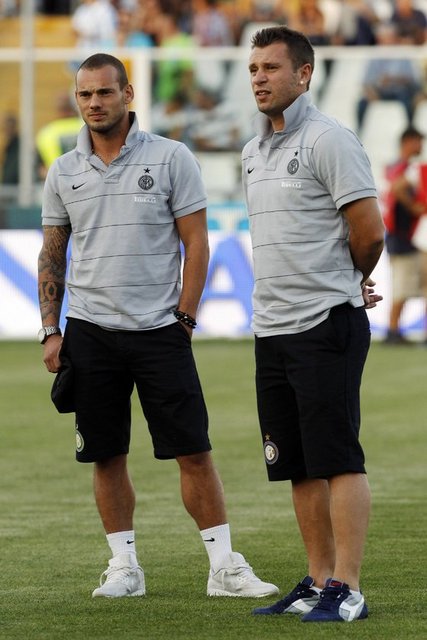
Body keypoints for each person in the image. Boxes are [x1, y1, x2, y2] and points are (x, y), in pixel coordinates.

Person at [37, 52, 279, 600]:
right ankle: (124, 567)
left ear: (128, 94)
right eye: (85, 94)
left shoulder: (171, 157)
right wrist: (51, 329)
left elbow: (197, 244)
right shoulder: (64, 170)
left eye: (105, 92)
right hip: (90, 331)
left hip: (159, 330)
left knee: (193, 449)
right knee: (105, 454)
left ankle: (224, 567)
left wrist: (184, 318)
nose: (94, 103)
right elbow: (52, 255)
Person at [241, 26, 385, 623]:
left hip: (324, 323)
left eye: (271, 68)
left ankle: (348, 587)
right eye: (254, 69)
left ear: (304, 74)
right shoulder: (252, 151)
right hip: (271, 326)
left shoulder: (330, 139)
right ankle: (319, 578)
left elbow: (369, 232)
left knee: (338, 457)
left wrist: (347, 280)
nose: (259, 78)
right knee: (296, 462)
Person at [383, 126, 427, 344]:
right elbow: (396, 190)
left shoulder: (400, 167)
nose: (421, 146)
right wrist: (413, 207)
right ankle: (393, 331)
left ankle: (394, 330)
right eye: (418, 141)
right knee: (402, 286)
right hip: (401, 236)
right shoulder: (402, 168)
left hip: (405, 236)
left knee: (406, 286)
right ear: (408, 142)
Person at [355, 23, 424, 135]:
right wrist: (371, 93)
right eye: (384, 38)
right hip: (380, 92)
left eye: (390, 37)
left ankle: (410, 130)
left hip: (400, 91)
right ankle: (359, 131)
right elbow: (366, 82)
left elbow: (412, 79)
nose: (387, 41)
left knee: (407, 99)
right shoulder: (374, 55)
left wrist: (394, 79)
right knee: (361, 103)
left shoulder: (403, 53)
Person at [35, 92, 83, 179]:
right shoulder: (85, 127)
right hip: (87, 179)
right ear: (74, 107)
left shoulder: (46, 133)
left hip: (58, 181)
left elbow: (41, 169)